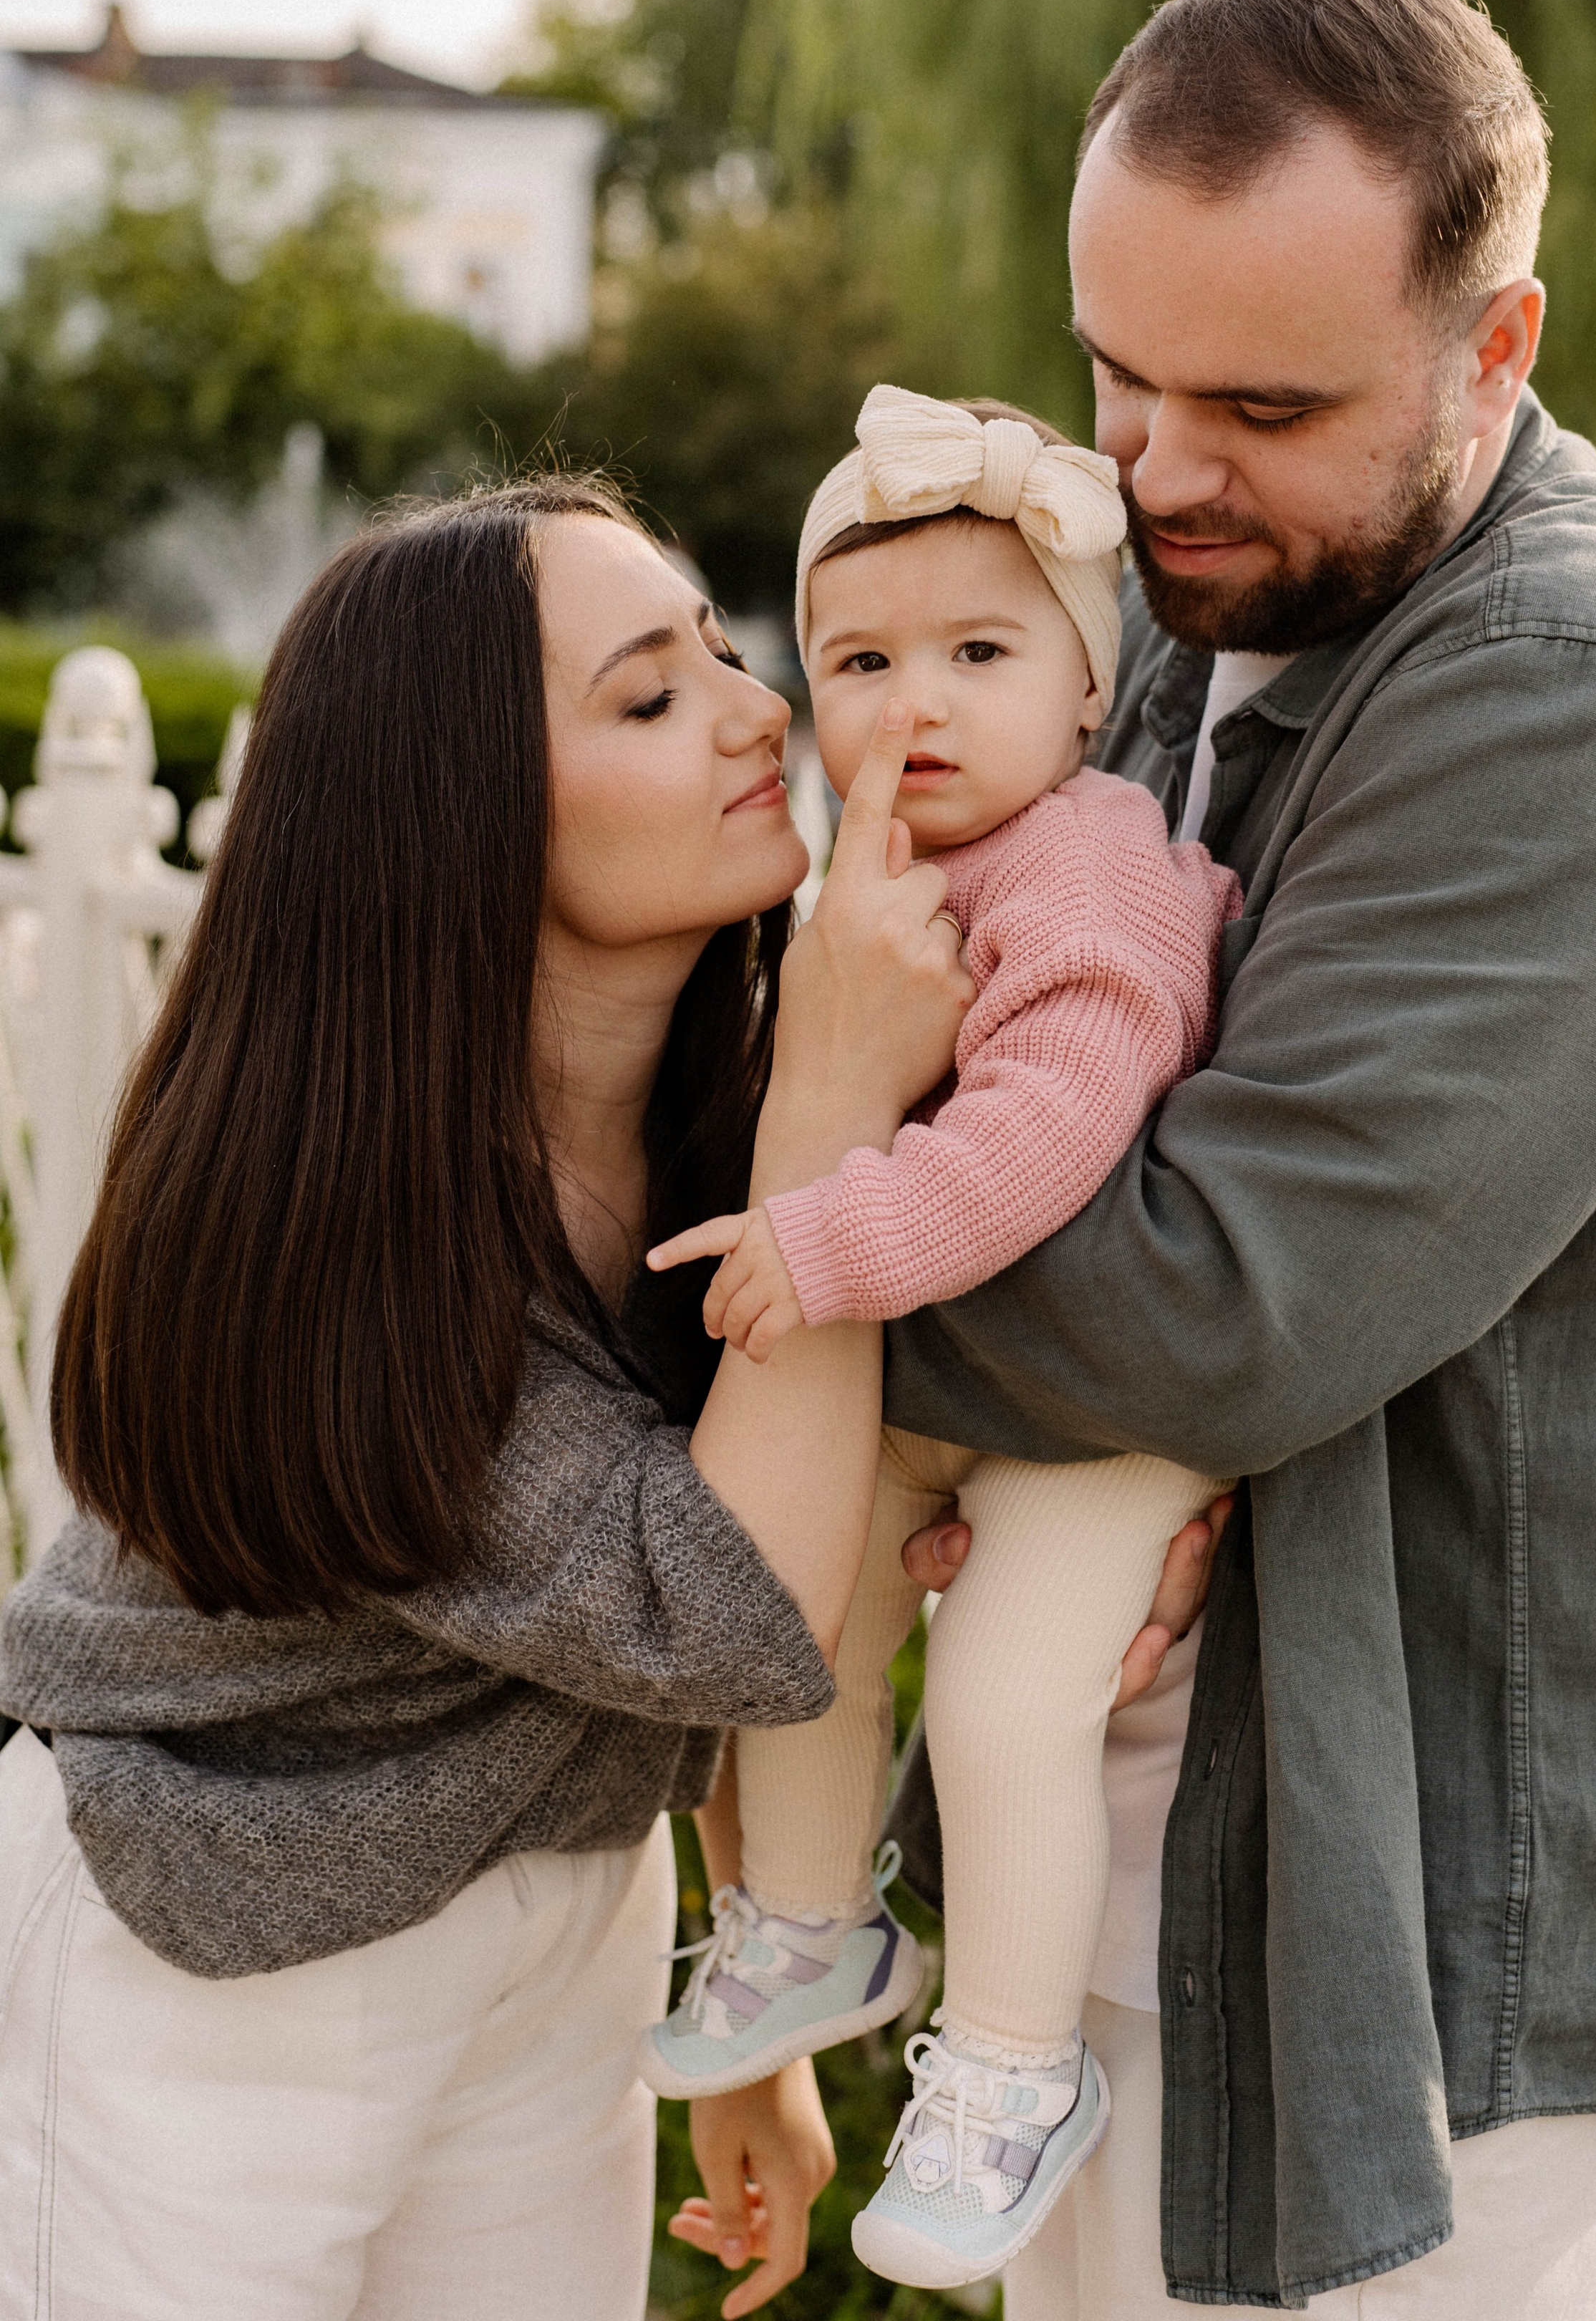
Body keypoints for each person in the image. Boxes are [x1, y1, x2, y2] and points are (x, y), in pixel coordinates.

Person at [882, 0, 1596, 2317]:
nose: (1157, 468)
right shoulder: (1186, 597)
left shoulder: (1592, 691)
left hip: (1420, 1932)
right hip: (1147, 1869)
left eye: (1265, 402)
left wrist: (790, 1312)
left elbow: (1212, 1307)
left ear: (1495, 348)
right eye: (1120, 373)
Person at [0, 476, 979, 2321]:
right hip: (215, 1947)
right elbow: (727, 1604)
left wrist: (749, 2008)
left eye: (714, 647)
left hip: (554, 1936)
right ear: (459, 814)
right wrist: (838, 1126)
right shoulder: (329, 1233)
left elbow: (658, 1594)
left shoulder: (714, 1128)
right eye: (646, 694)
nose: (758, 705)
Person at [638, 383, 1239, 2292]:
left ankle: (1008, 2068)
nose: (916, 706)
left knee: (1001, 1706)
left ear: (1088, 689)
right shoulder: (872, 871)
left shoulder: (1094, 867)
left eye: (980, 654)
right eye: (863, 660)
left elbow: (1055, 1121)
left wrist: (830, 1242)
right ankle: (810, 1920)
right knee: (795, 1608)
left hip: (1099, 1412)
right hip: (940, 1373)